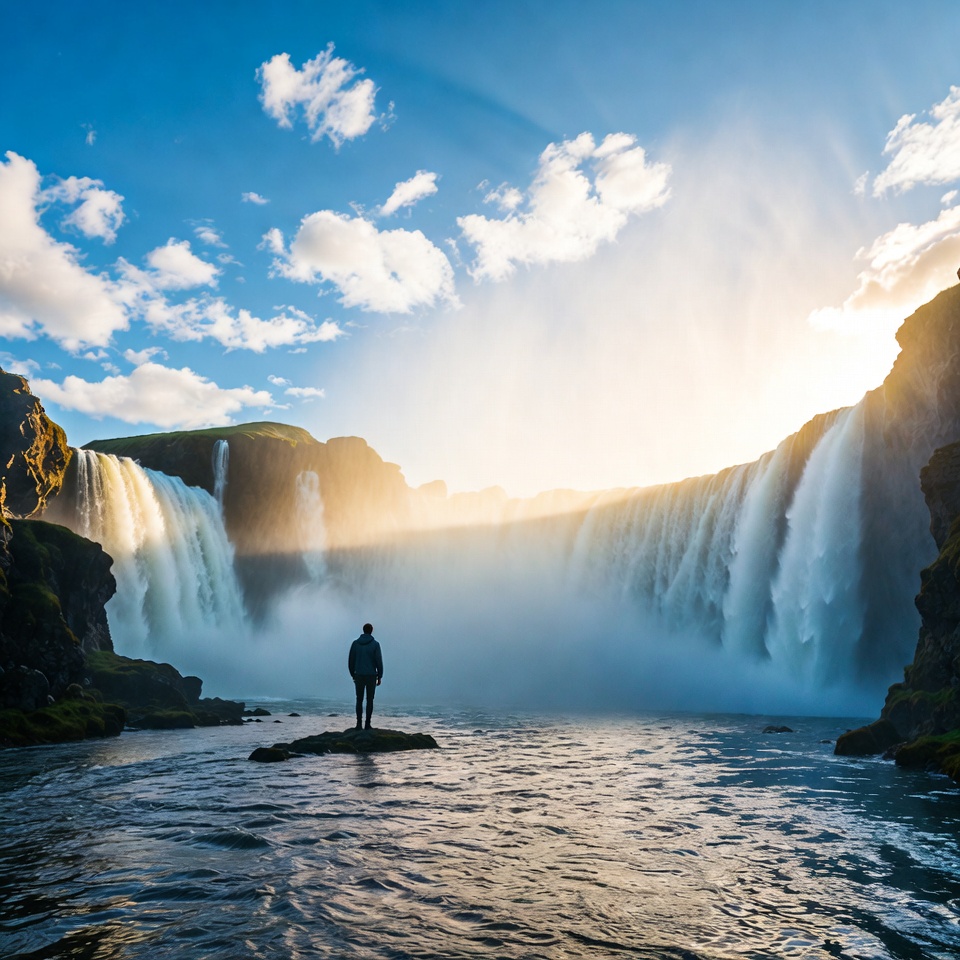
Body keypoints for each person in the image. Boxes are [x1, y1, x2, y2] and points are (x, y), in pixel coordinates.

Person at [348, 623, 383, 730]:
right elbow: (379, 661)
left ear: (363, 630)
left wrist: (352, 673)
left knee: (359, 699)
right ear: (371, 630)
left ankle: (359, 724)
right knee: (370, 700)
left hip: (358, 675)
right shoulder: (375, 644)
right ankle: (367, 724)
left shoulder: (355, 644)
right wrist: (380, 675)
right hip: (371, 676)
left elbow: (351, 660)